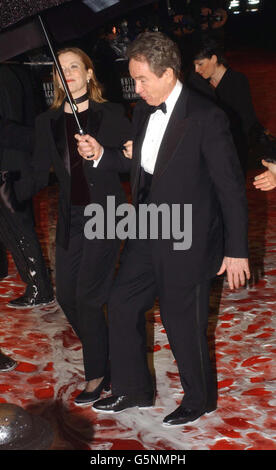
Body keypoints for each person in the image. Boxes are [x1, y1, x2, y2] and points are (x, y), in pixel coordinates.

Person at [76, 32, 250, 426]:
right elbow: (142, 166)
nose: (136, 89)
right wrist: (102, 154)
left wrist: (236, 249)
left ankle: (200, 399)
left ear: (169, 73)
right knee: (121, 305)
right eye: (134, 80)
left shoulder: (207, 117)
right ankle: (132, 388)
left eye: (142, 80)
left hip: (187, 238)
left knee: (181, 322)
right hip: (146, 228)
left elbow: (230, 188)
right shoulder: (143, 111)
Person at [16, 47, 132, 405]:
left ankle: (97, 375)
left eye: (74, 67)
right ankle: (109, 354)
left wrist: (101, 153)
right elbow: (37, 173)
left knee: (88, 297)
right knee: (66, 295)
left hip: (106, 215)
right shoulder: (45, 122)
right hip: (71, 219)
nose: (68, 74)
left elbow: (133, 162)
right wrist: (12, 191)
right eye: (61, 69)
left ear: (89, 73)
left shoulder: (111, 113)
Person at [0, 64, 54, 308]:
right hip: (20, 159)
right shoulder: (19, 71)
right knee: (14, 225)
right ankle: (36, 285)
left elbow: (6, 125)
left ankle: (39, 288)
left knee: (17, 227)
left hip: (9, 162)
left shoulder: (7, 74)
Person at [186, 36, 261, 176]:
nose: (196, 70)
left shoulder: (237, 81)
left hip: (234, 151)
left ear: (214, 59)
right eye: (194, 65)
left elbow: (246, 120)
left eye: (200, 64)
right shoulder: (199, 84)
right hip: (209, 152)